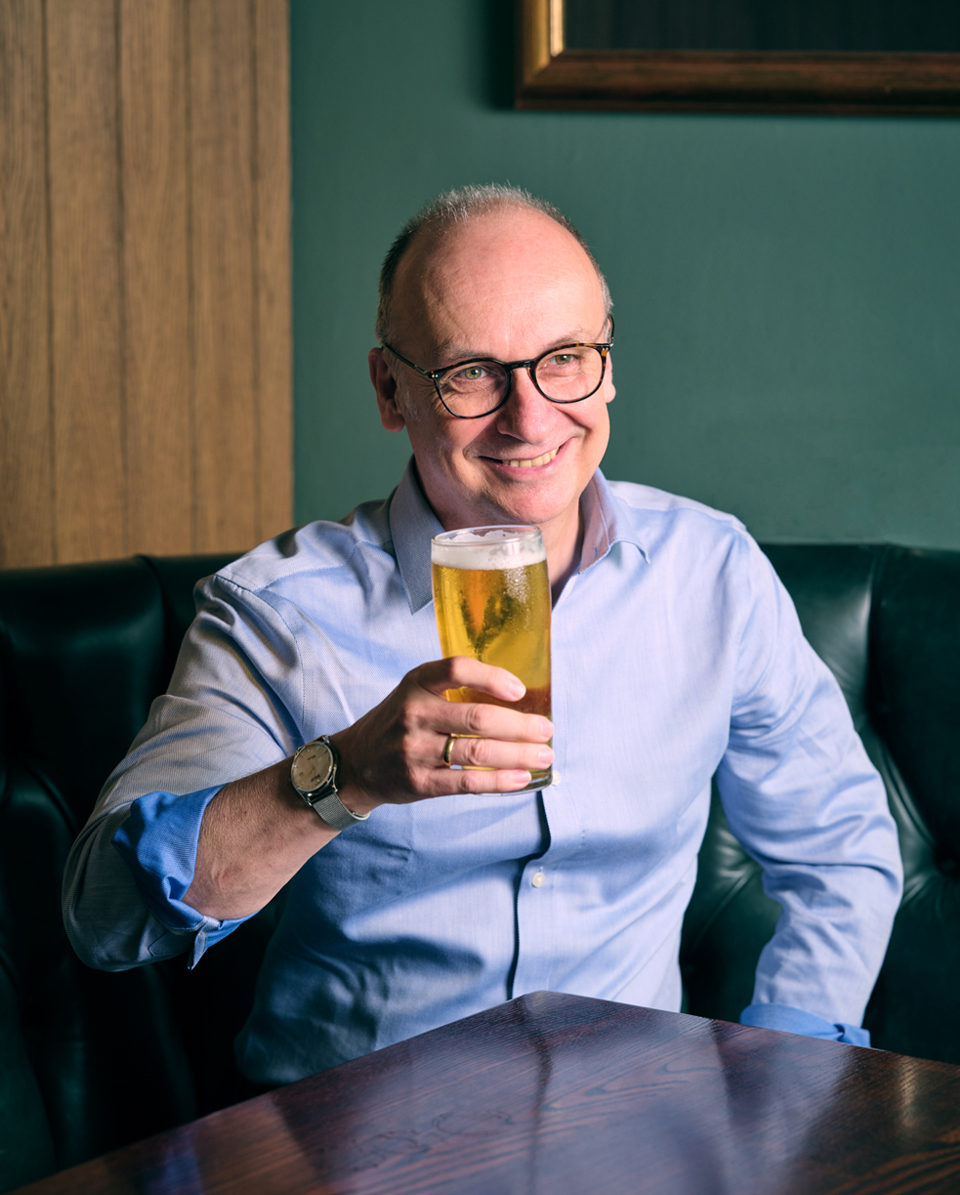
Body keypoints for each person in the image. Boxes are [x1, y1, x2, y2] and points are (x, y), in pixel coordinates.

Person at [64, 185, 902, 1085]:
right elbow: (106, 918)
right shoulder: (276, 612)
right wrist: (346, 775)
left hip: (632, 1139)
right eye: (472, 372)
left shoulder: (712, 572)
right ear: (392, 390)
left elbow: (839, 846)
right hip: (351, 1154)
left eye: (566, 358)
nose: (531, 417)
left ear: (609, 366)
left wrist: (786, 1077)